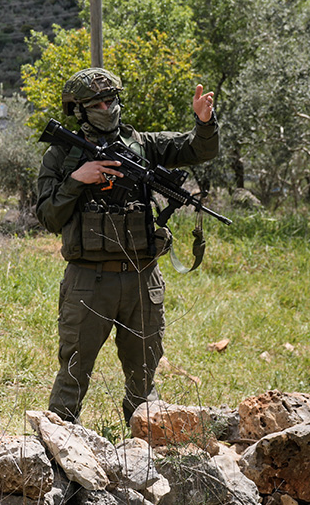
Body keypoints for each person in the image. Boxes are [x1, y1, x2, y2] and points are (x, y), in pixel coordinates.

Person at [36, 68, 218, 425]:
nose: (107, 108)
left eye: (111, 100)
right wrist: (77, 180)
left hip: (142, 279)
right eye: (97, 103)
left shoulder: (142, 144)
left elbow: (197, 149)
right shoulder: (61, 156)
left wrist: (204, 121)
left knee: (144, 376)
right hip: (88, 280)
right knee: (73, 374)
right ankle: (59, 452)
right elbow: (47, 217)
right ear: (79, 110)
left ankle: (144, 450)